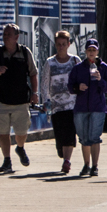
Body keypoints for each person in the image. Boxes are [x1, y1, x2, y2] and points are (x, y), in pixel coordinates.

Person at [0, 23, 39, 173]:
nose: (5, 37)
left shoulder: (24, 52)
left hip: (21, 100)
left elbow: (33, 73)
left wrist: (35, 93)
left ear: (16, 37)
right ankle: (7, 160)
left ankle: (20, 148)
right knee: (3, 132)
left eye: (8, 34)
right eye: (4, 34)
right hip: (1, 100)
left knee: (21, 131)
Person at [67, 39, 107, 177]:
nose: (91, 53)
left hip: (97, 107)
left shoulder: (104, 67)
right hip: (81, 108)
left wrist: (101, 80)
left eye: (94, 50)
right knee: (83, 137)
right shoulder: (78, 68)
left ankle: (94, 166)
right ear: (86, 51)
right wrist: (78, 87)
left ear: (97, 52)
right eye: (89, 50)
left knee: (94, 137)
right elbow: (70, 86)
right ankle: (86, 164)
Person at [39, 30, 81, 174]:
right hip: (56, 106)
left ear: (69, 44)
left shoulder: (75, 61)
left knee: (69, 133)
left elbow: (81, 79)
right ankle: (63, 153)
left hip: (72, 104)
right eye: (58, 44)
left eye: (64, 44)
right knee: (60, 134)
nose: (61, 47)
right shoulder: (50, 62)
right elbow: (44, 83)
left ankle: (67, 161)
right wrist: (46, 101)